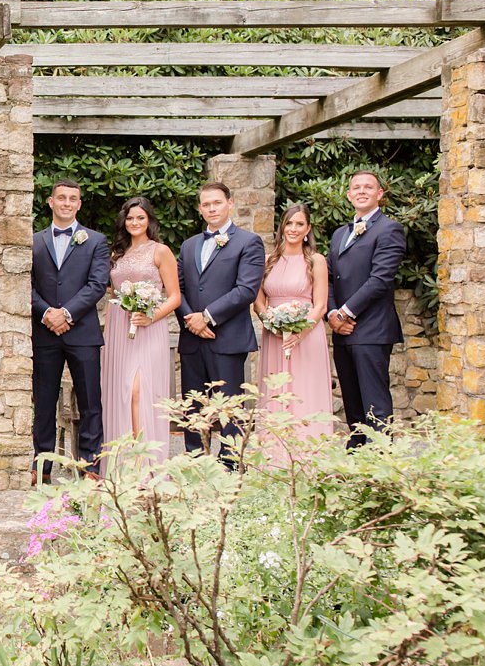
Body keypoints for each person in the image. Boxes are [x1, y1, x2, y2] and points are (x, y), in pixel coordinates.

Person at [176, 182, 266, 466]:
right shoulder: (189, 245)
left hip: (227, 338)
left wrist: (208, 316)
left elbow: (246, 290)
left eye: (216, 202)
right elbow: (178, 289)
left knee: (229, 406)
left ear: (230, 203)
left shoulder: (248, 242)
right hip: (192, 338)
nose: (211, 208)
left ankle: (229, 465)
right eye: (206, 204)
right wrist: (192, 320)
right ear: (200, 208)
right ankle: (195, 461)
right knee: (193, 406)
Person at [30, 179, 110, 481]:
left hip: (83, 333)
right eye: (61, 198)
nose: (66, 203)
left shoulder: (96, 241)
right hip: (45, 332)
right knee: (44, 401)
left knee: (90, 401)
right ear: (51, 202)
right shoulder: (34, 241)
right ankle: (42, 466)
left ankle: (90, 465)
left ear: (79, 204)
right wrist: (47, 312)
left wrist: (66, 314)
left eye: (72, 198)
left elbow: (97, 284)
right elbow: (27, 285)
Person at [100, 197, 181, 474]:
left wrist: (151, 316)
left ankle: (145, 462)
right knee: (121, 392)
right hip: (119, 329)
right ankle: (122, 462)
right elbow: (113, 295)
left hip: (150, 328)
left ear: (149, 221)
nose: (135, 223)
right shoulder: (117, 254)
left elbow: (174, 297)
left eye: (140, 218)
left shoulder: (160, 251)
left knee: (139, 391)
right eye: (130, 218)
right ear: (124, 221)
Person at [325, 170, 406, 447]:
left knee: (376, 404)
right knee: (352, 402)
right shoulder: (339, 234)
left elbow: (380, 279)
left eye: (368, 187)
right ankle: (356, 457)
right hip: (342, 330)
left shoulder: (389, 229)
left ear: (379, 194)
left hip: (371, 329)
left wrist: (345, 312)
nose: (361, 191)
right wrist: (332, 314)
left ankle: (380, 461)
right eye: (356, 187)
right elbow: (328, 277)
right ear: (348, 195)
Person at [254, 203, 334, 459]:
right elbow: (258, 301)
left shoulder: (316, 261)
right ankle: (273, 458)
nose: (293, 228)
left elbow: (320, 305)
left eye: (299, 224)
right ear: (282, 227)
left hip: (307, 337)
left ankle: (308, 457)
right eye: (289, 223)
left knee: (304, 390)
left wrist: (300, 331)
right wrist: (272, 322)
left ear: (308, 229)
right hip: (274, 336)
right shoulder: (268, 260)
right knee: (276, 393)